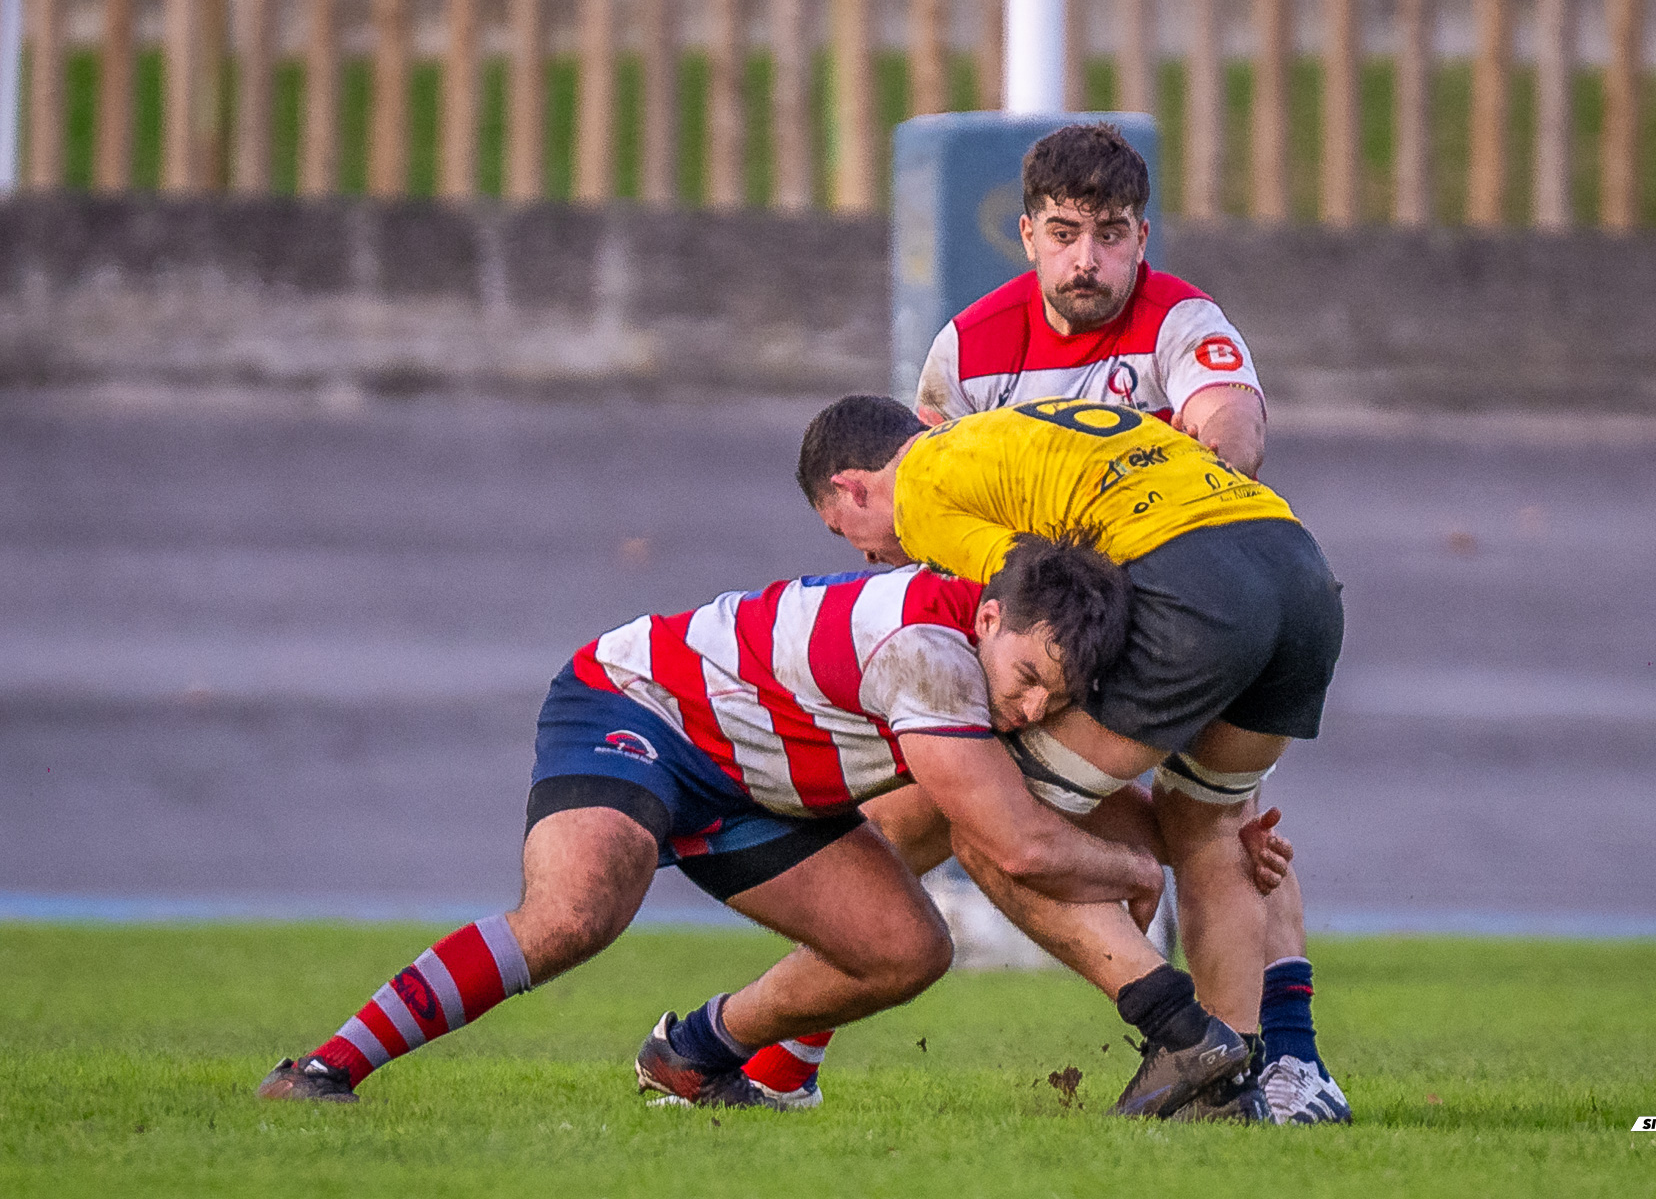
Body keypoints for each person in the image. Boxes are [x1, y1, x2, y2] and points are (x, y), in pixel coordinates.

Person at [257, 535, 1246, 1119]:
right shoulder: (930, 657)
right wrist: (1133, 867)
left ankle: (693, 1054)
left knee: (905, 950)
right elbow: (1023, 843)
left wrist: (1205, 840)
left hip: (752, 789)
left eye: (1053, 697)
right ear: (987, 619)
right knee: (579, 911)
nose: (1028, 709)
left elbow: (1065, 796)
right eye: (1028, 680)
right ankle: (323, 1072)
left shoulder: (988, 664)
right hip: (637, 704)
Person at [904, 121, 1347, 1126]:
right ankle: (1276, 1074)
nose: (1087, 259)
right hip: (1098, 630)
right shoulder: (967, 349)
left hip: (1181, 609)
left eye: (1109, 234)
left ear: (1141, 236)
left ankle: (778, 1036)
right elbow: (939, 514)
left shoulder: (1182, 321)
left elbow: (1234, 435)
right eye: (1065, 233)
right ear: (1026, 234)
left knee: (988, 820)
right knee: (1218, 827)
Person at [800, 394, 1345, 1122]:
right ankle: (1228, 1089)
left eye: (847, 530)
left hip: (1194, 581)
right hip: (1301, 573)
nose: (868, 552)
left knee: (996, 829)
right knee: (1211, 829)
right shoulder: (1004, 434)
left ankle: (1181, 1035)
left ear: (852, 485)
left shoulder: (920, 489)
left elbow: (1031, 605)